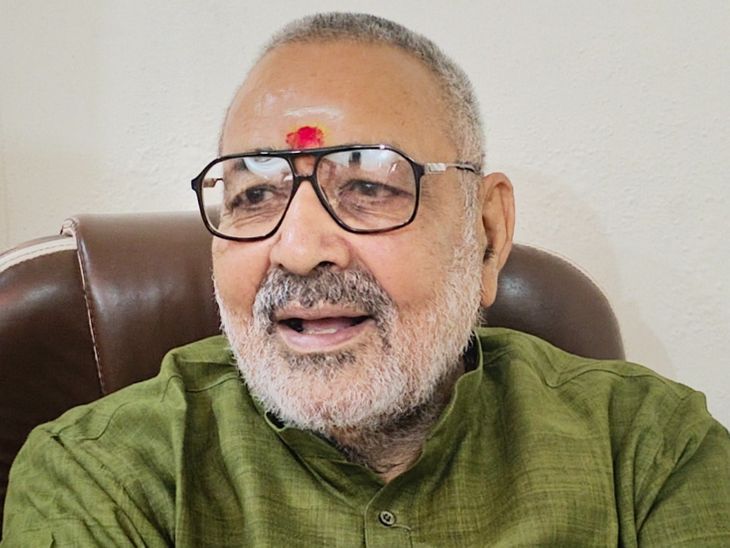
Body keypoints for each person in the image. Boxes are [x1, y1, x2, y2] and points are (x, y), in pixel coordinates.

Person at [2, 12, 729, 547]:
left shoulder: (647, 451)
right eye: (255, 195)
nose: (298, 249)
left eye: (370, 186)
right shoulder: (103, 477)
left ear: (485, 233)